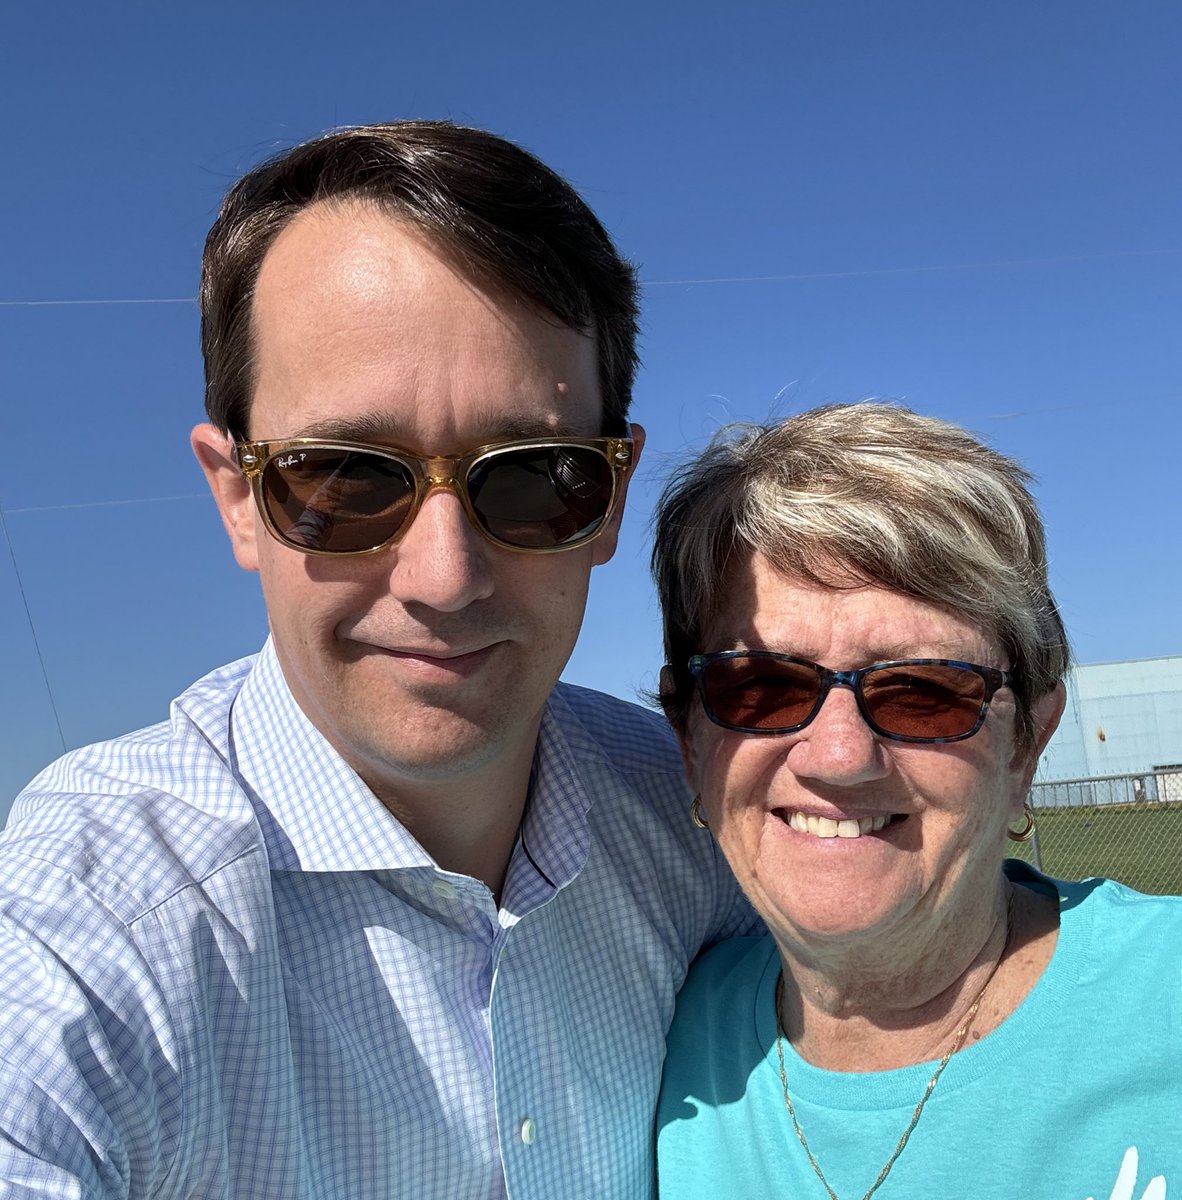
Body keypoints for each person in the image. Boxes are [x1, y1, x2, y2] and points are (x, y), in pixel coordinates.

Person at [0, 121, 755, 1199]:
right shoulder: (105, 915)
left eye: (536, 476)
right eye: (343, 480)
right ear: (237, 499)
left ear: (612, 496)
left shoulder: (699, 816)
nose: (444, 577)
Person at [652, 403, 1180, 1199]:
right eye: (761, 687)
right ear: (690, 740)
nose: (839, 758)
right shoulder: (662, 1036)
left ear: (1026, 746)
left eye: (923, 692)